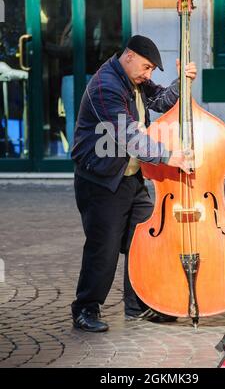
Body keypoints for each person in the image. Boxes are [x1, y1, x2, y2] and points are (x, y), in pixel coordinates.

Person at [71, 35, 197, 332]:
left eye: (152, 69)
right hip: (101, 181)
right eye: (147, 67)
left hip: (129, 177)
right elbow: (130, 137)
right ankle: (85, 309)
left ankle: (138, 306)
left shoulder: (134, 79)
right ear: (128, 56)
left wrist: (183, 82)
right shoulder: (106, 87)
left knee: (142, 242)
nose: (148, 74)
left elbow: (161, 100)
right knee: (104, 248)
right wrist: (170, 156)